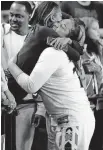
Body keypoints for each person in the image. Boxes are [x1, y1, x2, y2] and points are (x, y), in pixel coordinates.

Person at [8, 19, 95, 149]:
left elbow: (31, 86)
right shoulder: (60, 50)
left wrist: (11, 65)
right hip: (67, 118)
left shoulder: (54, 52)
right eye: (59, 22)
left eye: (62, 26)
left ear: (66, 37)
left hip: (70, 121)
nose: (56, 24)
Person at [1, 2, 45, 150]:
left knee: (22, 147)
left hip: (27, 103)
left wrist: (41, 108)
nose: (13, 19)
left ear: (29, 16)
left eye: (19, 16)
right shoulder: (2, 31)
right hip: (3, 101)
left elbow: (45, 76)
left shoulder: (38, 37)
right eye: (11, 15)